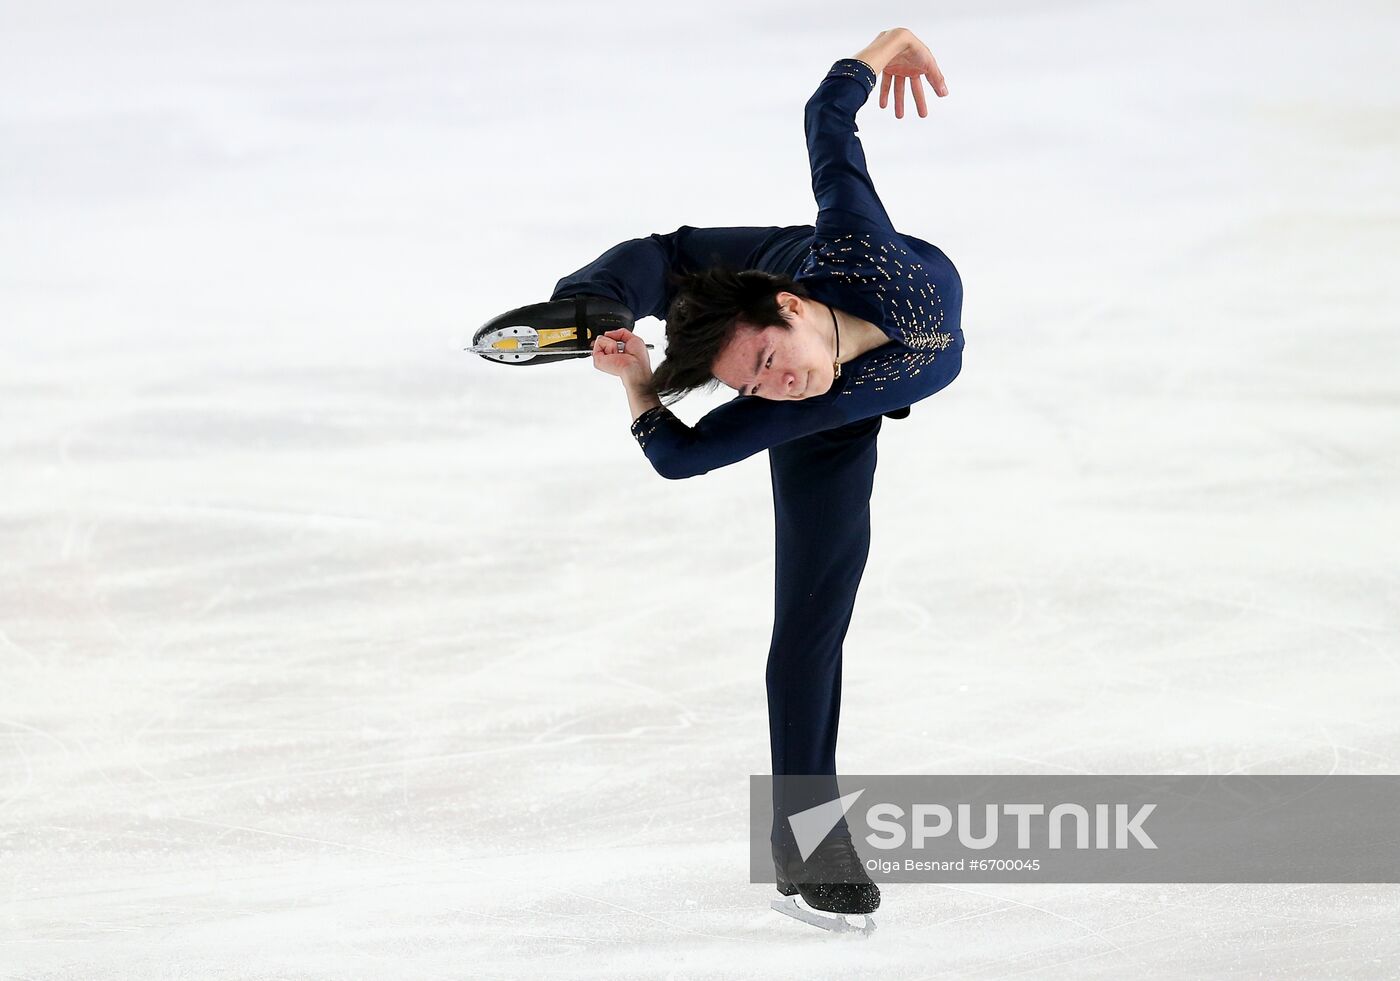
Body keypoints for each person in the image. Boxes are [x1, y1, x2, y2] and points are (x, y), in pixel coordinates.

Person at [476, 27, 961, 924]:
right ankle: (595, 307)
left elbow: (828, 117)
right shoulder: (795, 404)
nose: (776, 384)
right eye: (751, 386)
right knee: (809, 621)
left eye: (770, 362)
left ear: (789, 316)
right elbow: (678, 454)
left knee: (682, 254)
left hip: (784, 269)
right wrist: (635, 383)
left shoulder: (860, 253)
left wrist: (886, 45)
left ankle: (621, 299)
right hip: (835, 408)